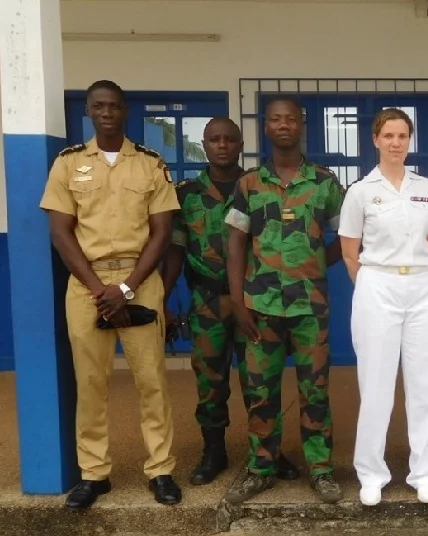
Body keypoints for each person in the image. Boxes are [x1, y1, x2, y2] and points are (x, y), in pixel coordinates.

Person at [39, 80, 182, 508]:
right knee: (91, 383)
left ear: (125, 111)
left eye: (114, 106)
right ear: (88, 111)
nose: (106, 113)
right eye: (98, 106)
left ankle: (161, 471)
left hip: (139, 282)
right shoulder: (67, 165)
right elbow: (61, 233)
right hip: (87, 286)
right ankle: (95, 474)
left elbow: (162, 233)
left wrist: (125, 287)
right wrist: (101, 288)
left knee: (152, 382)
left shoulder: (150, 165)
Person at [160, 117, 300, 486]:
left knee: (261, 381)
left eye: (229, 139)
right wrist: (161, 297)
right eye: (214, 140)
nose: (222, 145)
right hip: (207, 301)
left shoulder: (259, 186)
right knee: (210, 381)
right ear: (204, 145)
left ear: (240, 145)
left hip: (256, 301)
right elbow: (175, 250)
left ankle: (268, 452)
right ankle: (214, 452)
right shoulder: (186, 194)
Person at [223, 97, 346, 503]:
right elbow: (236, 242)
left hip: (310, 308)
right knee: (261, 391)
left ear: (301, 125)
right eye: (275, 118)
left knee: (316, 390)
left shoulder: (325, 183)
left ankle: (321, 469)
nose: (283, 125)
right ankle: (261, 468)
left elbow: (345, 240)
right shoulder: (249, 184)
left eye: (290, 118)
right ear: (266, 126)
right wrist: (239, 299)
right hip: (260, 307)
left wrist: (313, 267)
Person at [338, 108, 428, 506]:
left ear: (410, 140)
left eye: (403, 136)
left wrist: (409, 272)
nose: (396, 143)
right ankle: (371, 471)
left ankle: (424, 472)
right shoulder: (360, 191)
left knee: (423, 383)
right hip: (377, 284)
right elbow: (350, 251)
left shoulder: (426, 187)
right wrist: (373, 285)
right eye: (389, 136)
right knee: (377, 382)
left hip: (419, 284)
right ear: (375, 139)